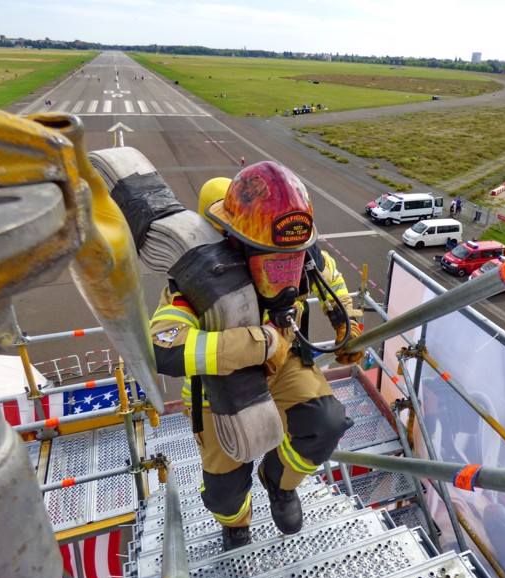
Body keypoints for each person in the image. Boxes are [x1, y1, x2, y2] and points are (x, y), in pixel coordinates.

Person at [149, 163, 363, 552]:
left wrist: (346, 323)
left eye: (292, 259)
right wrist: (261, 342)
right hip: (217, 386)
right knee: (223, 491)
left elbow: (329, 277)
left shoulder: (300, 254)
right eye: (273, 259)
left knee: (327, 423)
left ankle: (278, 483)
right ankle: (236, 521)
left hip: (283, 366)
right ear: (235, 240)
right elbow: (165, 345)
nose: (285, 275)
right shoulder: (198, 282)